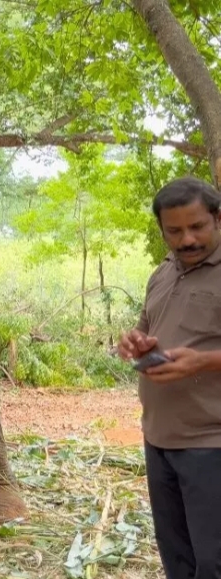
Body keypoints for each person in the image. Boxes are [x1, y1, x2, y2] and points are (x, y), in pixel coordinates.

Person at [116, 176, 221, 579]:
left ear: (217, 218)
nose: (187, 240)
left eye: (197, 227)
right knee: (177, 558)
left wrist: (203, 362)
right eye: (174, 231)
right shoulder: (161, 273)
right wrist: (134, 342)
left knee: (214, 562)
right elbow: (147, 326)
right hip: (159, 438)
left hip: (211, 443)